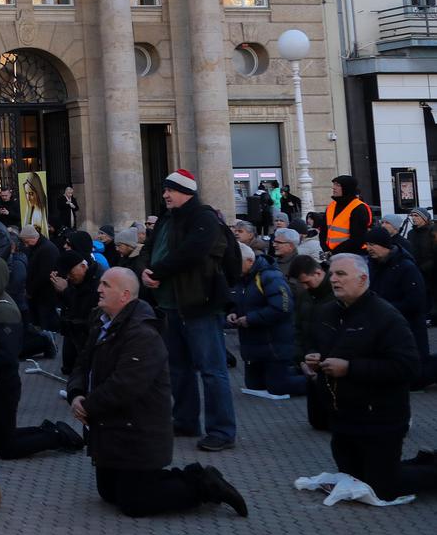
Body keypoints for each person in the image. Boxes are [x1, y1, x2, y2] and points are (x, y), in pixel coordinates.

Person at [66, 267, 247, 518]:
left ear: (125, 295)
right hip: (111, 430)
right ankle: (160, 481)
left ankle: (203, 483)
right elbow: (82, 364)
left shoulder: (142, 333)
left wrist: (88, 407)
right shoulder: (102, 323)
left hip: (137, 432)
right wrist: (75, 394)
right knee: (109, 493)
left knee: (135, 503)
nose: (98, 289)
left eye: (106, 285)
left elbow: (126, 385)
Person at [301, 254, 422, 503]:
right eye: (332, 273)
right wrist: (311, 359)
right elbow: (314, 346)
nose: (333, 279)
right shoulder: (325, 313)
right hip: (342, 419)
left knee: (383, 487)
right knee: (356, 478)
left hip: (380, 418)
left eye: (341, 274)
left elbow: (407, 367)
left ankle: (428, 469)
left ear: (363, 278)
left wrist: (351, 368)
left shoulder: (386, 317)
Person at [141, 169, 237, 452]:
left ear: (187, 192)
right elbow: (148, 248)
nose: (166, 195)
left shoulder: (204, 218)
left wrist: (157, 271)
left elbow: (191, 253)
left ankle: (221, 430)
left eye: (171, 190)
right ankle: (185, 420)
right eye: (165, 190)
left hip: (199, 304)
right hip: (170, 305)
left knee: (212, 370)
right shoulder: (166, 220)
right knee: (178, 368)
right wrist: (145, 270)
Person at [0, 256, 83, 460]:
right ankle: (43, 430)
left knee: (7, 449)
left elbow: (8, 356)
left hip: (0, 387)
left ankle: (57, 436)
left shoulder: (4, 309)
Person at [363, 226, 432, 381]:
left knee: (416, 375)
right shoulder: (373, 265)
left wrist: (384, 309)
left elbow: (415, 302)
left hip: (408, 325)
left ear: (384, 245)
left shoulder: (406, 266)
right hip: (386, 325)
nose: (369, 248)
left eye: (373, 244)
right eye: (367, 244)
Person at [227, 242, 294, 400]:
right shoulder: (241, 279)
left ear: (250, 261)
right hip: (253, 346)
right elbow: (237, 302)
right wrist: (232, 313)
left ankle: (313, 381)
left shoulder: (270, 277)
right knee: (254, 387)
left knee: (277, 388)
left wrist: (250, 319)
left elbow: (282, 307)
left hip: (273, 344)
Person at [50, 250, 100, 377]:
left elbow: (84, 308)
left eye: (71, 273)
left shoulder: (96, 281)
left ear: (83, 266)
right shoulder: (78, 280)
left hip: (86, 333)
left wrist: (65, 290)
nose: (69, 277)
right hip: (73, 331)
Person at [324, 174, 372, 255]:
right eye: (334, 184)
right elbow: (324, 231)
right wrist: (326, 249)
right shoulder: (331, 206)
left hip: (354, 255)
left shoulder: (358, 208)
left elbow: (358, 238)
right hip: (333, 254)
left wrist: (334, 252)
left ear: (347, 188)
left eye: (338, 185)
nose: (334, 187)